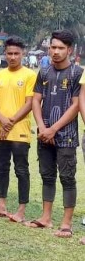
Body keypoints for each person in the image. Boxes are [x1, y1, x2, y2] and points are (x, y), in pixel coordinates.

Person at [28, 30, 83, 239]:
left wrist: (53, 129)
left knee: (67, 178)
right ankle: (45, 217)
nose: (56, 52)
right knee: (46, 175)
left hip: (66, 135)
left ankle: (67, 223)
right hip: (44, 133)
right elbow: (35, 100)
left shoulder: (77, 73)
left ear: (69, 50)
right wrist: (42, 127)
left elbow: (76, 106)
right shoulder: (43, 72)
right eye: (53, 47)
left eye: (61, 48)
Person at [0, 36, 36, 222]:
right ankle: (1, 205)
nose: (13, 57)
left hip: (20, 132)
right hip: (0, 130)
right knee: (1, 168)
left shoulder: (30, 75)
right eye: (10, 53)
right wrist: (2, 120)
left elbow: (30, 103)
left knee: (21, 169)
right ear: (4, 54)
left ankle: (21, 210)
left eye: (16, 53)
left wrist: (10, 122)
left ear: (23, 54)